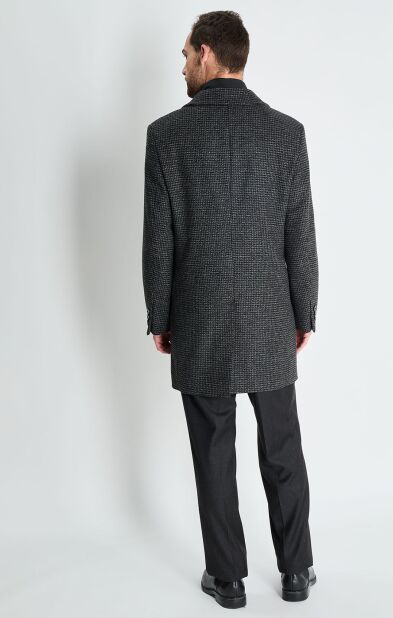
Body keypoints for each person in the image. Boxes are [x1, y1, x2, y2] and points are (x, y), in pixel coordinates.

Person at [142, 10, 319, 609]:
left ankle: (228, 579)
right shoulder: (285, 133)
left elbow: (160, 241)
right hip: (270, 314)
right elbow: (300, 235)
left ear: (208, 53)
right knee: (282, 446)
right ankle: (296, 571)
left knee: (213, 451)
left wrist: (161, 316)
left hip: (200, 316)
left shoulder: (167, 136)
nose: (182, 66)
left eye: (186, 54)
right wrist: (304, 312)